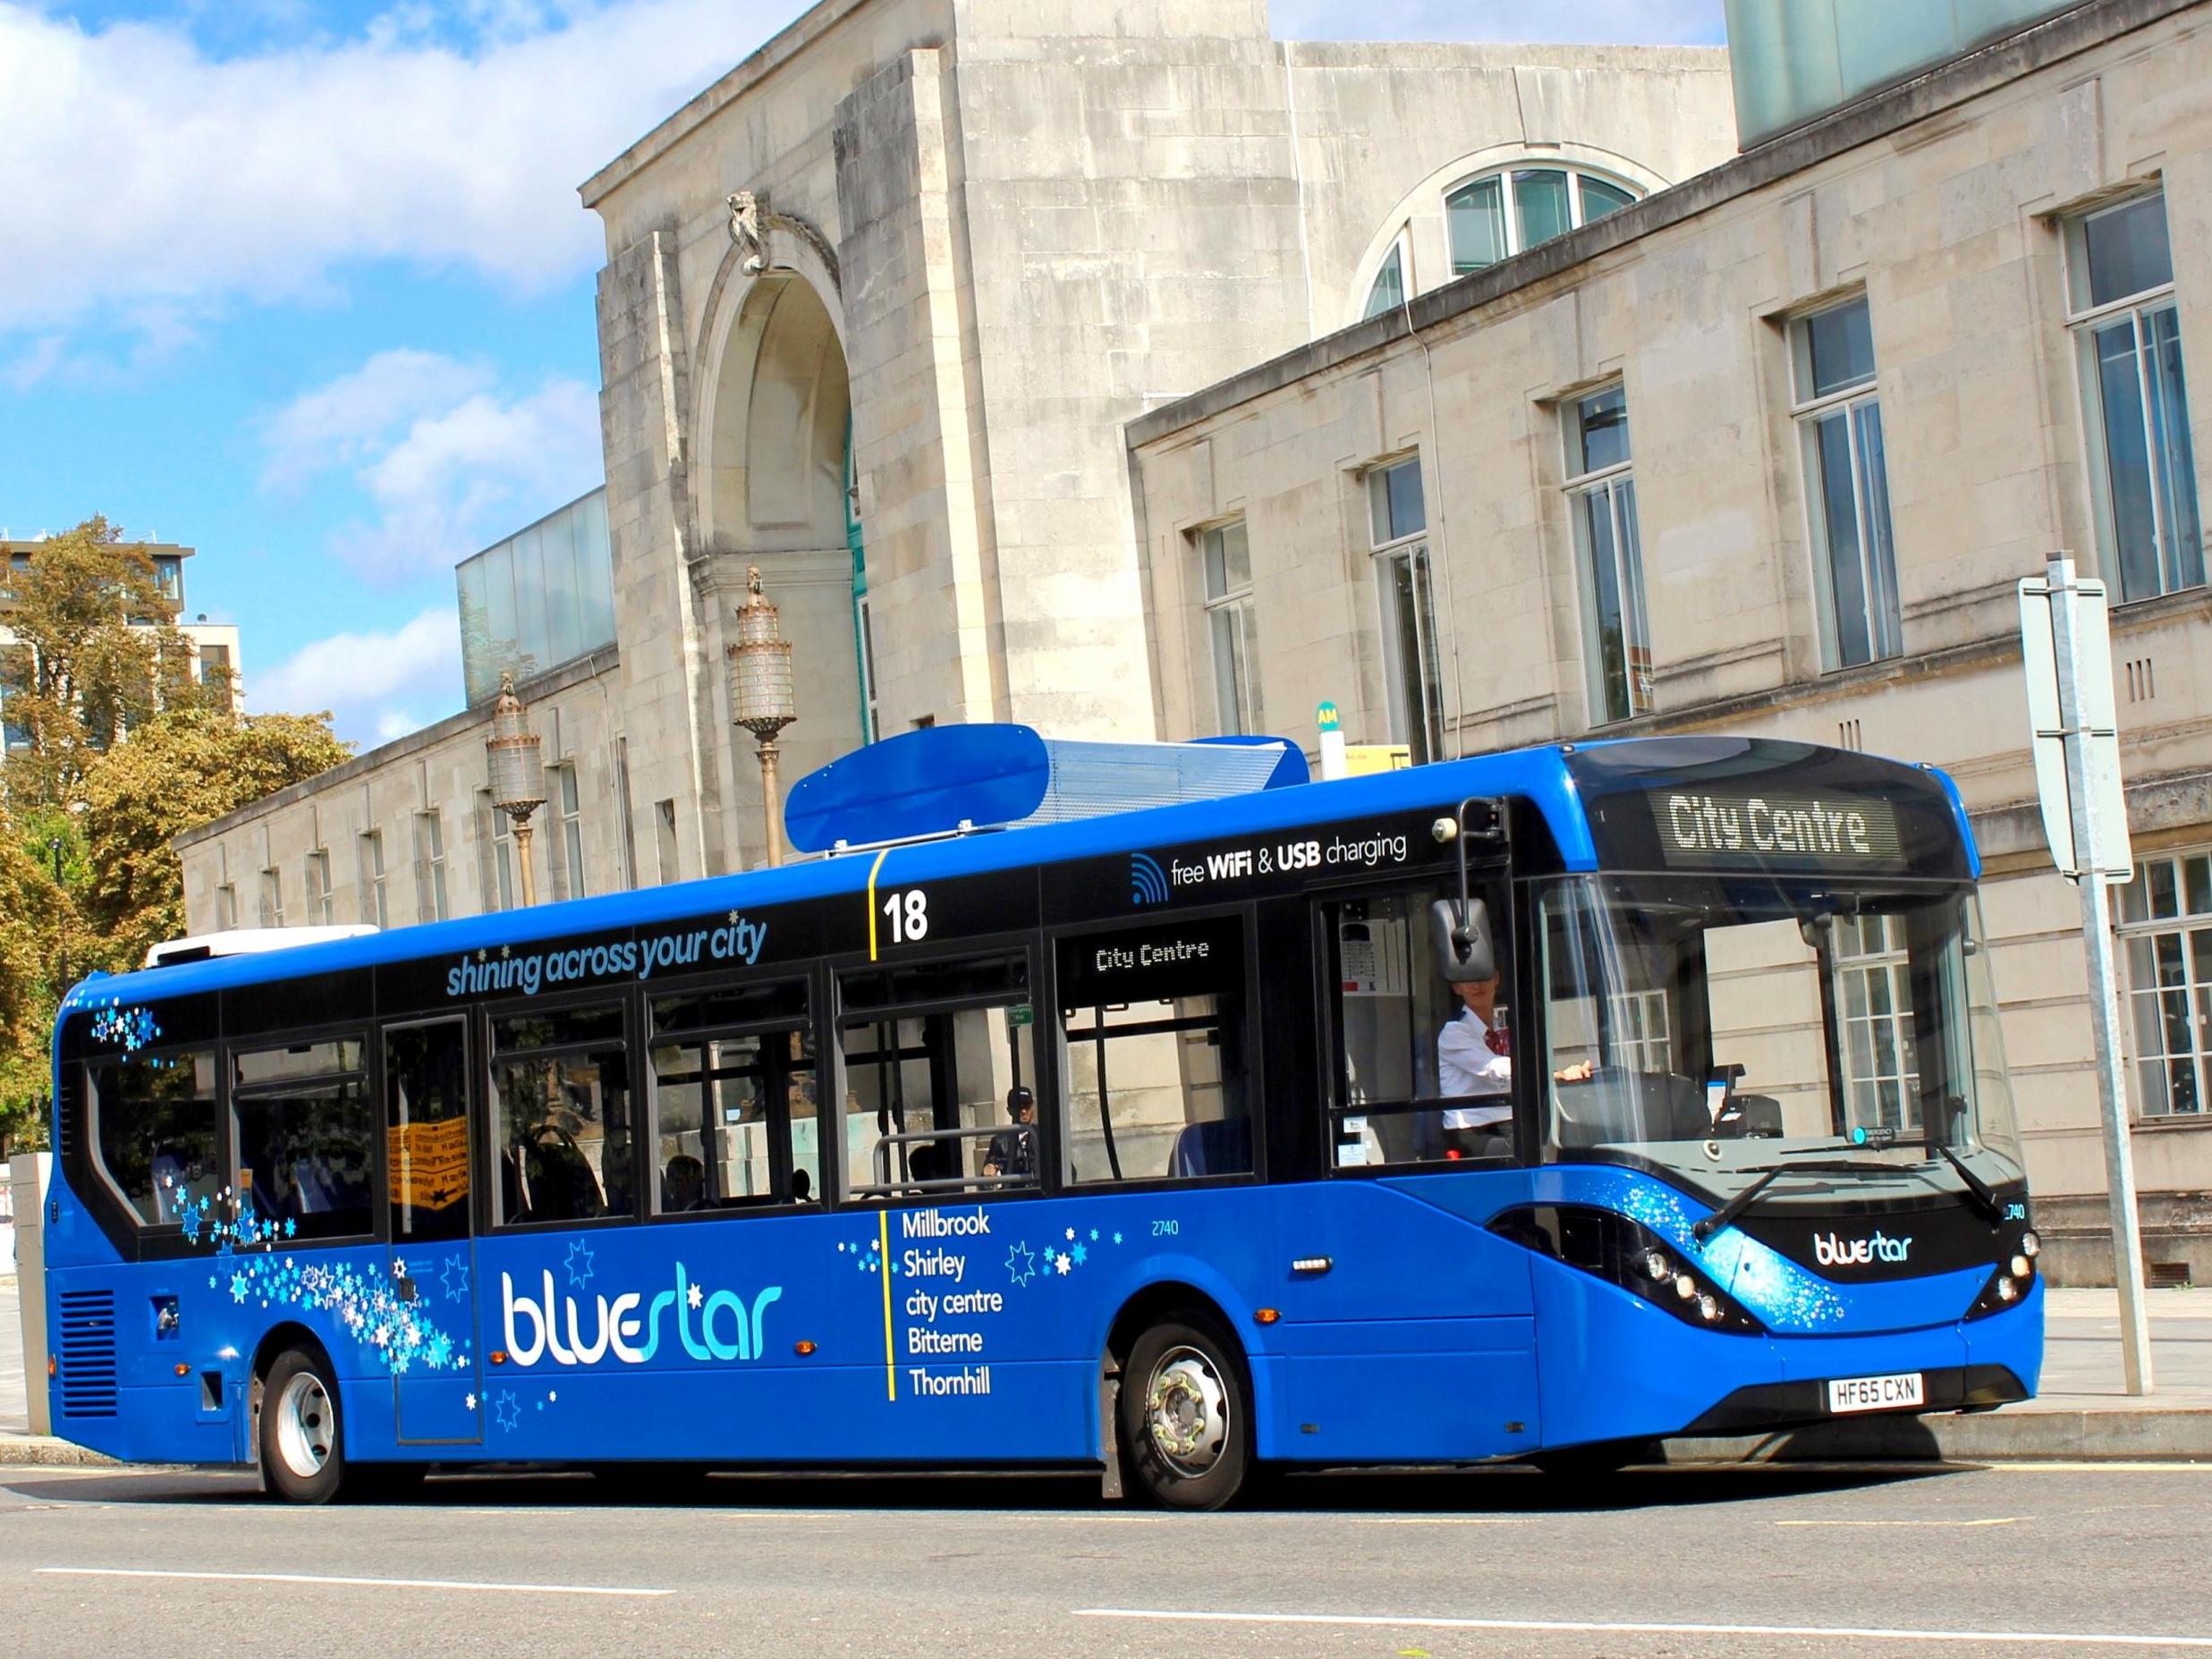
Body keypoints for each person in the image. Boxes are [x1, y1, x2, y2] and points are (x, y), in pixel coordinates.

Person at [1437, 973, 1593, 1157]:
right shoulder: (1454, 1031)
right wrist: (1554, 1074)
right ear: (1457, 987)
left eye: (1484, 975)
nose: (1477, 983)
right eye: (1468, 978)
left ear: (1496, 978)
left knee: (1578, 1138)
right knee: (1540, 1153)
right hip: (1473, 1131)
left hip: (1508, 1122)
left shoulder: (1500, 1029)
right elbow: (1494, 1067)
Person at [982, 1086, 1037, 1181]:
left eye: (1027, 1106)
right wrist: (989, 1172)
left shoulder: (1044, 1135)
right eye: (1019, 1107)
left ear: (1032, 1107)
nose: (1023, 1111)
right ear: (1009, 1110)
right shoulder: (999, 1141)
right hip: (1016, 1191)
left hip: (1042, 1192)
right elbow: (986, 1180)